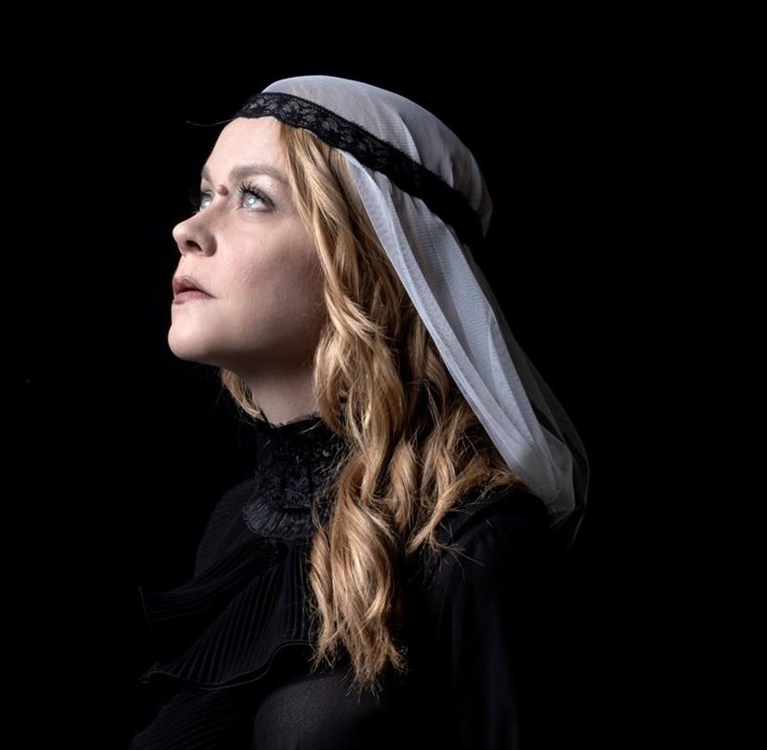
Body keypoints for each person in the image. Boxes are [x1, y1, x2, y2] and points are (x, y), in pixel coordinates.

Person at [130, 75, 590, 749]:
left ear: (365, 258)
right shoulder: (234, 524)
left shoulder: (474, 541)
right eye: (206, 194)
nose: (188, 230)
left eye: (254, 197)